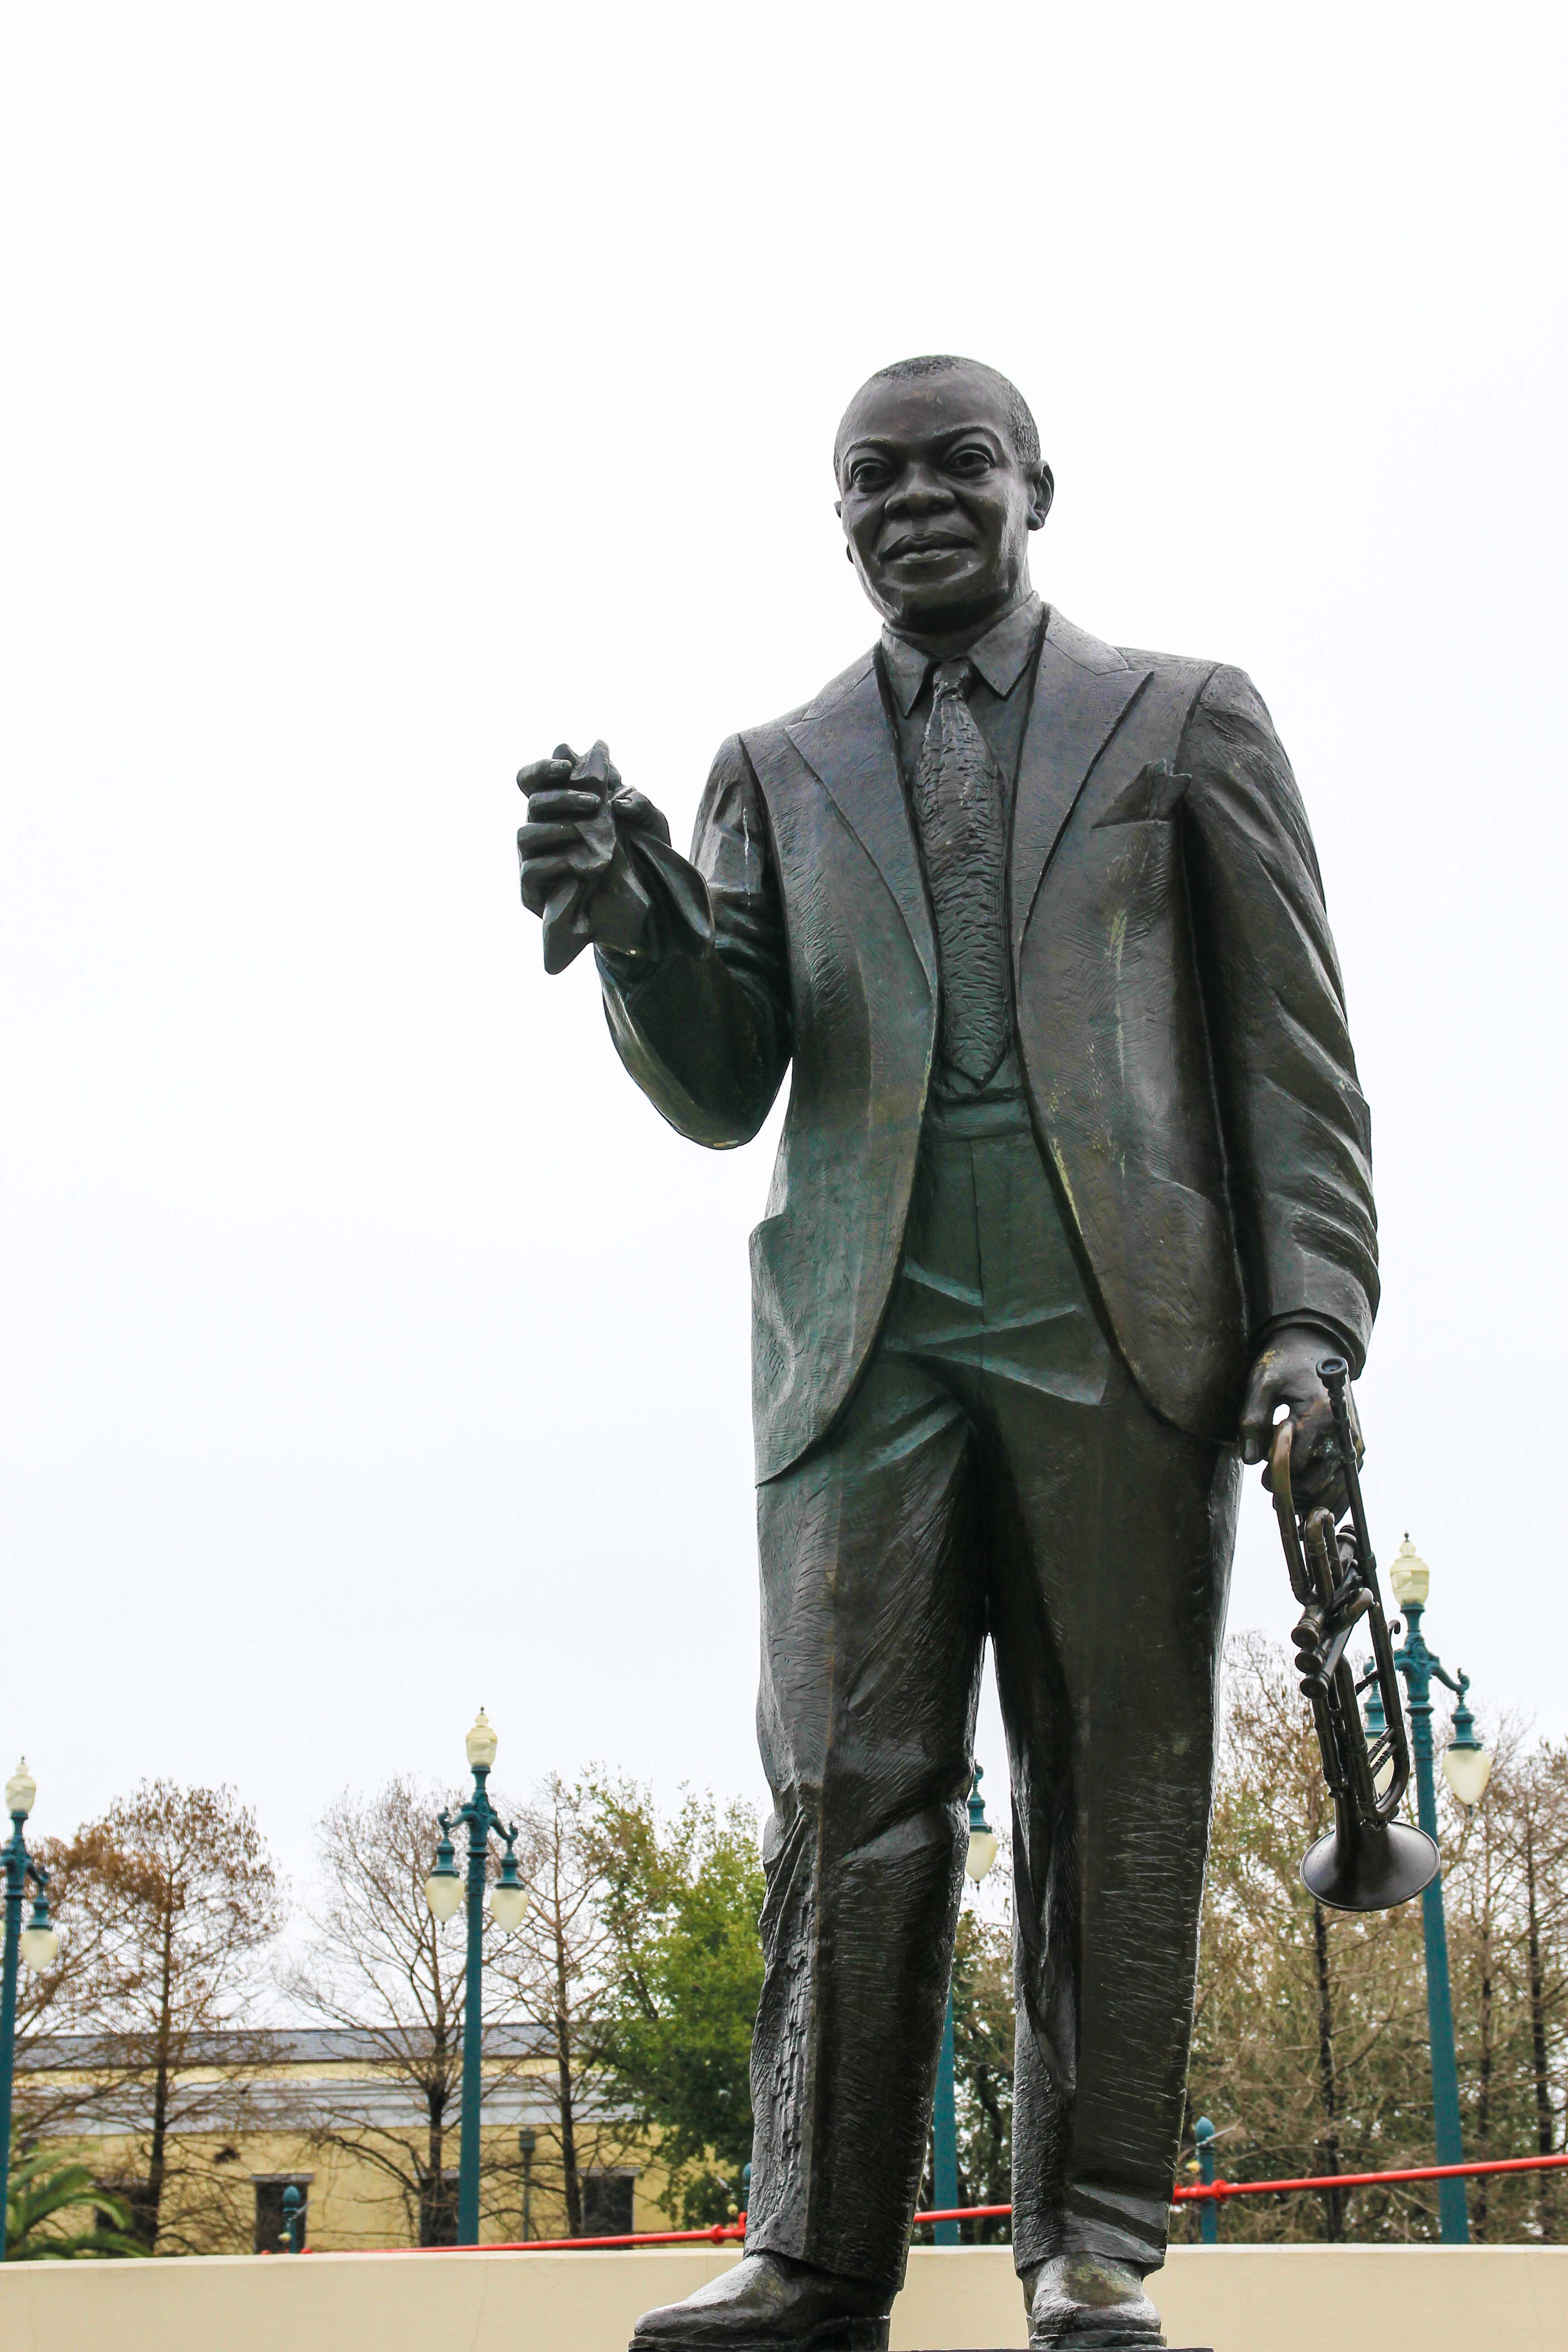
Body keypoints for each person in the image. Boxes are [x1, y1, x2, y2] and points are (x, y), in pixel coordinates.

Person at [516, 355, 1377, 2351]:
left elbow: (1290, 1059)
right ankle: (818, 2253)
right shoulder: (773, 764)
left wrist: (1311, 1319)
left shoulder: (1187, 717)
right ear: (836, 518)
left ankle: (1091, 2244)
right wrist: (637, 918)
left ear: (1037, 487)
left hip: (1122, 1316)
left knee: (1119, 1782)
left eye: (956, 464)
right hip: (862, 1333)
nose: (913, 500)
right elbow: (724, 1085)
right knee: (845, 1782)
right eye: (872, 477)